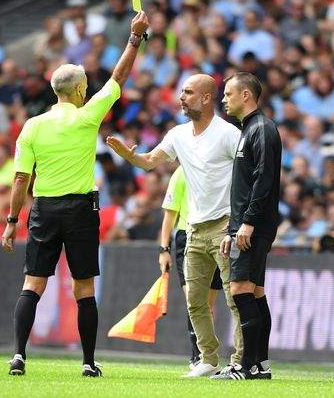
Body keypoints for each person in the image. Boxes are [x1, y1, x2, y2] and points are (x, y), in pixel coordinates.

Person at [1, 11, 150, 377]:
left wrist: (10, 223)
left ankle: (19, 355)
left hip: (44, 210)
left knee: (32, 283)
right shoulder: (87, 117)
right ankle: (87, 362)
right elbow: (119, 77)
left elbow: (21, 180)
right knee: (84, 288)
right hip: (81, 210)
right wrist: (134, 38)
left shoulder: (32, 126)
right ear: (81, 91)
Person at [106, 73, 242, 378]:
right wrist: (130, 156)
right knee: (195, 301)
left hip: (224, 226)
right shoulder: (178, 134)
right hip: (194, 229)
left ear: (207, 98)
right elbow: (150, 161)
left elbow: (249, 172)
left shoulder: (228, 133)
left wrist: (241, 221)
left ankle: (240, 360)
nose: (181, 97)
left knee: (234, 298)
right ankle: (208, 359)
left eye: (189, 92)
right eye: (181, 91)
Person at [213, 72, 281, 380]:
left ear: (246, 96)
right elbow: (243, 187)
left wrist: (248, 223)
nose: (223, 99)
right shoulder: (247, 130)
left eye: (228, 94)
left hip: (254, 226)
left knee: (240, 290)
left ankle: (245, 365)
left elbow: (263, 180)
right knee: (254, 293)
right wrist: (233, 226)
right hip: (243, 225)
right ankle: (260, 365)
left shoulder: (263, 129)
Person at [159, 165, 223, 369]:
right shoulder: (181, 173)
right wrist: (164, 249)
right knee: (194, 299)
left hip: (215, 235)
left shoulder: (218, 168)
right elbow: (170, 214)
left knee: (207, 305)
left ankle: (207, 355)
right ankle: (198, 357)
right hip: (187, 237)